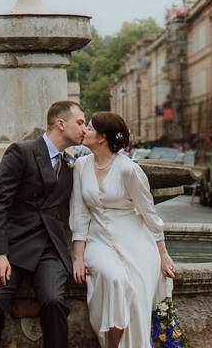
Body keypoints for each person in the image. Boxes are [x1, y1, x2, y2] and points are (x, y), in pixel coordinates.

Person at [0, 100, 87, 348]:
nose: (85, 129)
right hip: (12, 247)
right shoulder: (21, 152)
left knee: (55, 302)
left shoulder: (72, 165)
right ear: (60, 123)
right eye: (80, 122)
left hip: (49, 249)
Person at [71, 111, 176, 348]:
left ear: (102, 138)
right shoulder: (80, 166)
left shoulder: (128, 170)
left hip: (135, 241)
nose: (84, 130)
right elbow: (79, 214)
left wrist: (162, 253)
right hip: (98, 240)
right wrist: (78, 256)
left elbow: (149, 214)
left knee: (136, 294)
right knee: (114, 279)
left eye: (89, 127)